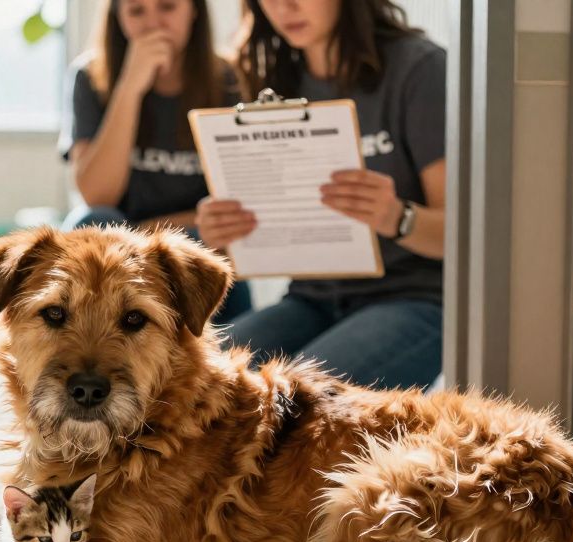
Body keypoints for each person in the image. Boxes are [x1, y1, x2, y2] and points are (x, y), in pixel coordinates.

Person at [198, 0, 445, 389]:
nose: (285, 7)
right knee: (194, 379)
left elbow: (461, 236)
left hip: (413, 298)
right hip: (310, 298)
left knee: (296, 399)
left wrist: (396, 216)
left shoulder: (419, 68)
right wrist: (221, 235)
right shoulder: (271, 76)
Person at [58, 0, 252, 322]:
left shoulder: (230, 80)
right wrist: (130, 87)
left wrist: (143, 232)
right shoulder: (89, 76)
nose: (153, 23)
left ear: (193, 10)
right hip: (116, 250)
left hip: (194, 243)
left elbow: (237, 207)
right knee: (91, 221)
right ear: (118, 18)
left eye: (167, 7)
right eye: (137, 11)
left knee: (211, 241)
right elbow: (97, 195)